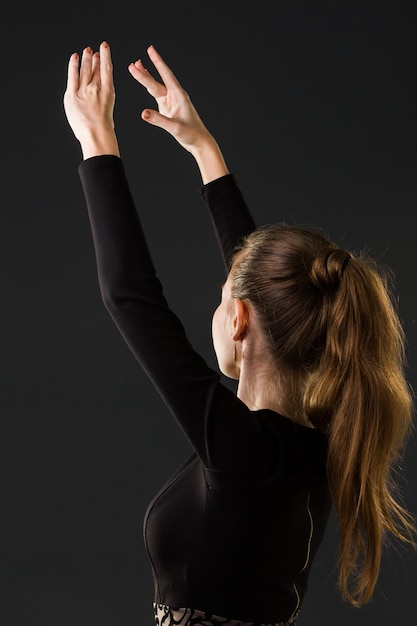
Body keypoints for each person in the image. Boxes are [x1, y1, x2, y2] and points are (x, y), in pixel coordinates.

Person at [63, 41, 415, 626]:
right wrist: (204, 150)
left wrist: (97, 141)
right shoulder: (316, 444)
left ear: (241, 320)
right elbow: (270, 287)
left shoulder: (244, 452)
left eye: (223, 298)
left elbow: (133, 298)